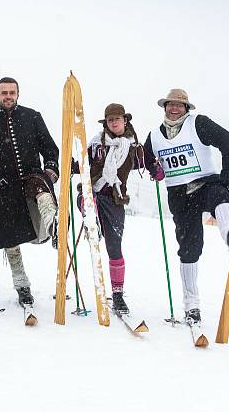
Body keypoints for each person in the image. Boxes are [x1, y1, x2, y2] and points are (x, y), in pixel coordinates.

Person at [143, 88, 229, 325]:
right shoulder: (154, 135)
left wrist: (227, 177)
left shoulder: (199, 124)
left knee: (220, 194)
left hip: (205, 183)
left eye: (179, 105)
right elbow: (144, 160)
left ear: (186, 108)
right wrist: (153, 169)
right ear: (164, 107)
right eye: (170, 104)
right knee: (189, 248)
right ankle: (191, 306)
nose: (174, 108)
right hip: (179, 195)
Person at [0, 77, 59, 310]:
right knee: (10, 238)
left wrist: (51, 169)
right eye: (4, 92)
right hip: (5, 184)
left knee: (42, 192)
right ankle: (21, 285)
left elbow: (49, 146)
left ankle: (53, 225)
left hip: (32, 174)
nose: (8, 96)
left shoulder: (32, 116)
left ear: (18, 94)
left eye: (12, 92)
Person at [76, 103, 144, 314]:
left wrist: (156, 169)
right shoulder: (96, 144)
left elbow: (147, 163)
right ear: (106, 123)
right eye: (110, 119)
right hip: (92, 192)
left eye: (117, 119)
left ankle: (117, 295)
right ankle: (91, 221)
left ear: (125, 121)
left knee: (114, 248)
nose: (113, 122)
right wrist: (68, 164)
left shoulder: (133, 146)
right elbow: (80, 163)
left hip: (115, 199)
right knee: (87, 200)